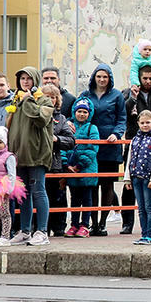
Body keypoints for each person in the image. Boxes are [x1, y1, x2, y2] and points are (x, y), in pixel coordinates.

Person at [7, 66, 55, 246]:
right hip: (18, 155)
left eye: (28, 78)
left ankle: (42, 231)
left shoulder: (44, 101)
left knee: (39, 192)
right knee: (23, 195)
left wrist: (28, 101)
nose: (25, 82)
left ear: (35, 81)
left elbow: (41, 119)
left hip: (37, 154)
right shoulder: (16, 101)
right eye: (22, 79)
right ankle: (25, 230)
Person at [80, 64, 127, 236]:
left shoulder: (117, 95)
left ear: (110, 79)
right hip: (90, 143)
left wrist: (116, 133)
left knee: (108, 184)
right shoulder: (85, 95)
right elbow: (77, 113)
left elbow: (122, 118)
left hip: (110, 144)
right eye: (99, 76)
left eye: (105, 77)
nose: (102, 80)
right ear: (94, 77)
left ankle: (102, 223)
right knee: (92, 184)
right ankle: (92, 223)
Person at [122, 67, 151, 236]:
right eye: (145, 78)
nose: (148, 81)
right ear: (139, 78)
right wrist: (132, 97)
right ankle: (127, 222)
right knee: (129, 191)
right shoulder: (130, 92)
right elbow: (125, 111)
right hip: (135, 139)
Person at [42, 86, 76, 239]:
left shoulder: (61, 119)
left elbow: (70, 141)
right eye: (46, 96)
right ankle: (41, 227)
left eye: (53, 97)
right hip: (37, 163)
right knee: (40, 197)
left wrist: (57, 139)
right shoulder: (34, 116)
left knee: (57, 196)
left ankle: (59, 227)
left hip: (54, 164)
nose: (50, 100)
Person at [126, 110, 151, 246]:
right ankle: (143, 234)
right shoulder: (135, 140)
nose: (145, 125)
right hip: (136, 177)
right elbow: (129, 159)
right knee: (141, 208)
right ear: (138, 124)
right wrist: (127, 178)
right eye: (142, 123)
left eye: (148, 122)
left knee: (149, 206)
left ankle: (150, 235)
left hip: (148, 178)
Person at [66, 98, 100, 238]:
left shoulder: (92, 128)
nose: (81, 114)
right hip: (71, 168)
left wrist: (80, 165)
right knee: (74, 198)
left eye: (85, 112)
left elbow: (92, 148)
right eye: (79, 111)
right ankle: (74, 224)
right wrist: (66, 164)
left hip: (87, 169)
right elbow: (64, 145)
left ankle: (85, 225)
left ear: (89, 113)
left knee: (87, 198)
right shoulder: (68, 127)